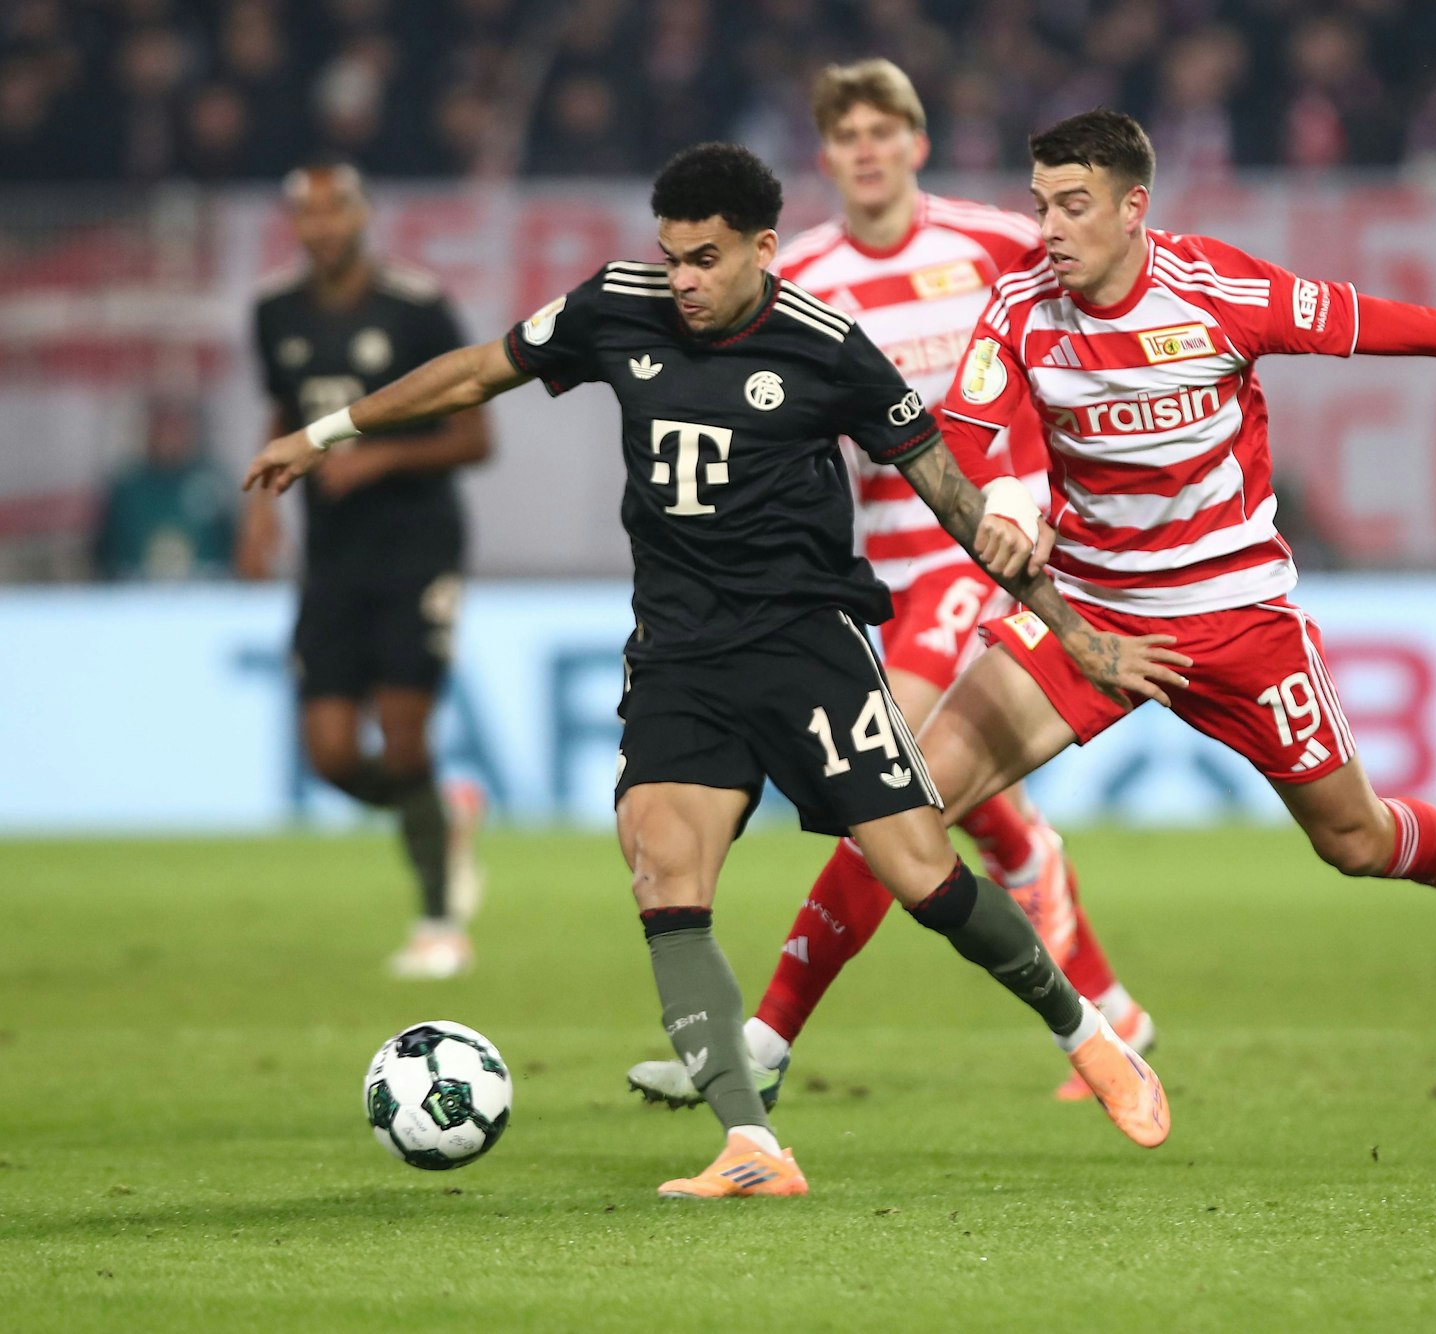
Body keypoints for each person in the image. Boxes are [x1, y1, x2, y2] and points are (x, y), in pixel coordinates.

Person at [243, 143, 1187, 1200]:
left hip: (805, 648)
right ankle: (753, 1145)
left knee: (923, 875)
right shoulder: (618, 307)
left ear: (762, 248)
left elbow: (955, 502)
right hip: (681, 653)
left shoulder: (830, 349)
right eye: (671, 257)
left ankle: (1087, 1028)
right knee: (661, 866)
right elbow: (473, 373)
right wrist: (324, 431)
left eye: (704, 258)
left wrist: (1072, 629)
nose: (682, 280)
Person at [778, 108, 1436, 1021]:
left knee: (1351, 840)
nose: (1050, 229)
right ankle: (759, 1047)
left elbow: (1406, 325)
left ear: (1131, 207)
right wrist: (1012, 500)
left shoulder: (1219, 293)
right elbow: (968, 435)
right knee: (904, 804)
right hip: (1088, 618)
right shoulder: (1020, 306)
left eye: (1071, 205)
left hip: (1236, 617)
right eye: (1039, 205)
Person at [625, 59, 1156, 1114]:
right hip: (864, 578)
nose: (867, 151)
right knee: (935, 807)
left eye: (884, 131)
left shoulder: (991, 240)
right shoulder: (797, 274)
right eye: (847, 136)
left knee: (892, 794)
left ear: (915, 143)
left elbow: (1080, 319)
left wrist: (1035, 483)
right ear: (826, 159)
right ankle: (1101, 991)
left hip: (972, 562)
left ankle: (766, 1035)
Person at [238, 161, 492, 980]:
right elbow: (283, 408)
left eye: (334, 211)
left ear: (362, 216)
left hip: (416, 548)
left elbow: (475, 438)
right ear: (295, 226)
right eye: (306, 214)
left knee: (405, 726)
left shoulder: (416, 309)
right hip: (333, 557)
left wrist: (374, 457)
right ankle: (441, 817)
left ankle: (438, 919)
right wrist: (260, 513)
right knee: (332, 755)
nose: (321, 227)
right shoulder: (273, 313)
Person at [91, 395, 237, 581]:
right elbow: (105, 555)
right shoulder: (126, 488)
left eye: (177, 427)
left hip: (203, 599)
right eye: (163, 426)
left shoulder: (215, 484)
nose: (169, 436)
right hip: (134, 600)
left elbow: (233, 550)